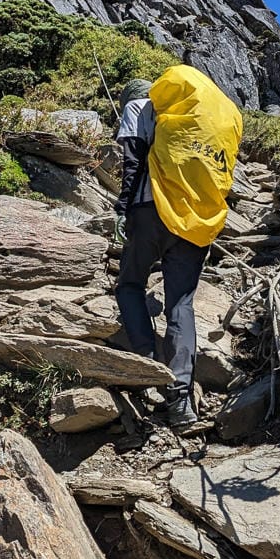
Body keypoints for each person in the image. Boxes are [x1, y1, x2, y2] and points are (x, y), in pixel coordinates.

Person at [113, 77, 207, 428]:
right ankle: (181, 400)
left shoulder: (137, 108)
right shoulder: (192, 118)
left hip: (151, 211)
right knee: (180, 303)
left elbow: (133, 163)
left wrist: (123, 208)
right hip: (194, 219)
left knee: (129, 285)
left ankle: (148, 369)